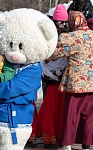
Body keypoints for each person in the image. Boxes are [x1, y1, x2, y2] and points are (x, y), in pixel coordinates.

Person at [49, 10, 93, 150]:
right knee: (89, 116)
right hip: (92, 83)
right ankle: (87, 144)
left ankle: (67, 144)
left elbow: (55, 54)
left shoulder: (70, 37)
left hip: (76, 83)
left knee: (71, 115)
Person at [37, 4, 69, 149]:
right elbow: (45, 51)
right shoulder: (48, 32)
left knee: (59, 108)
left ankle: (56, 135)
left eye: (64, 22)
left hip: (62, 75)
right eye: (60, 21)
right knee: (49, 107)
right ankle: (48, 137)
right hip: (49, 76)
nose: (62, 24)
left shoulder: (67, 31)